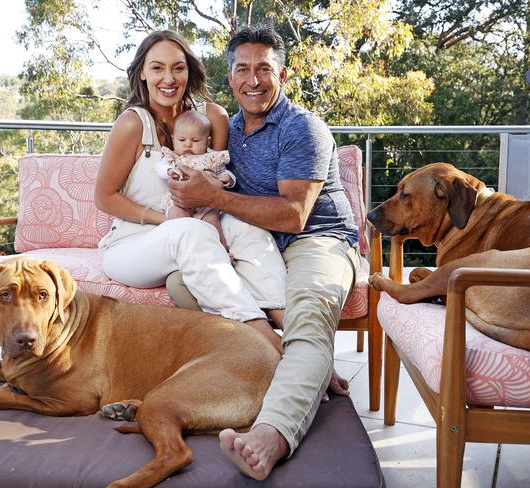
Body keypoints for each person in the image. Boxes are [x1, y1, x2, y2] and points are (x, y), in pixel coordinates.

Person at [167, 24, 360, 480]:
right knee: (182, 283)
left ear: (283, 75)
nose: (253, 80)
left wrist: (211, 198)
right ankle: (301, 363)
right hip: (255, 244)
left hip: (317, 240)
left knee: (309, 311)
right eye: (243, 69)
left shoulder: (303, 128)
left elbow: (295, 215)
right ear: (230, 77)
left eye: (264, 69)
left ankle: (272, 433)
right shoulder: (222, 130)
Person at [94, 29, 285, 352]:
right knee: (188, 232)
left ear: (189, 71)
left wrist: (205, 207)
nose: (168, 78)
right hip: (133, 245)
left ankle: (296, 332)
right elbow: (105, 197)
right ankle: (267, 342)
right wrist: (166, 220)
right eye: (157, 68)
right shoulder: (132, 124)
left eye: (177, 68)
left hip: (199, 230)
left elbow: (214, 180)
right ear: (142, 73)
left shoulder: (212, 117)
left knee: (245, 225)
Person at [156, 110, 234, 250]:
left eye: (195, 140)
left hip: (205, 203)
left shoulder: (211, 158)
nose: (188, 145)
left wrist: (227, 179)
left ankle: (221, 249)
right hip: (178, 202)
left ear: (207, 141)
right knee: (177, 218)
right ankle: (180, 250)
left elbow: (225, 172)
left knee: (212, 221)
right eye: (182, 140)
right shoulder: (174, 157)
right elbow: (160, 167)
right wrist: (169, 171)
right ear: (173, 139)